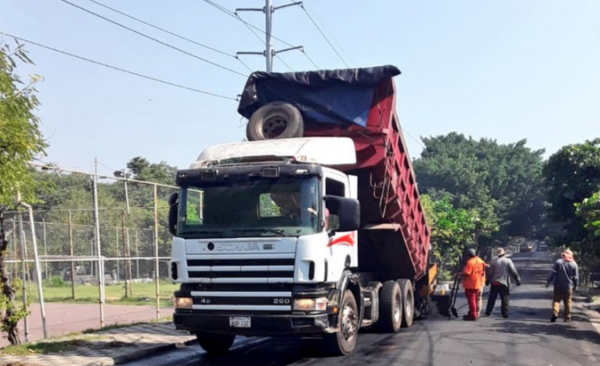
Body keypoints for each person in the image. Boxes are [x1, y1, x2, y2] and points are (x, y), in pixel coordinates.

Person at [485, 247, 521, 318]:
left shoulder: (494, 262)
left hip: (494, 283)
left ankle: (488, 312)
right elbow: (513, 271)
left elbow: (490, 273)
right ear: (504, 253)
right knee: (505, 299)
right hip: (504, 283)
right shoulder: (508, 261)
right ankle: (505, 313)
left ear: (498, 255)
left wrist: (487, 281)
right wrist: (518, 280)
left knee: (492, 298)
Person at [546, 249, 579, 323]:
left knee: (556, 300)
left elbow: (553, 272)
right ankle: (567, 317)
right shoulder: (574, 264)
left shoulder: (558, 262)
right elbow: (576, 277)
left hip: (558, 285)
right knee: (568, 301)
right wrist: (576, 285)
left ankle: (555, 313)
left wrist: (548, 281)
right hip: (568, 286)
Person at [462, 248, 486, 321]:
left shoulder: (470, 262)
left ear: (468, 255)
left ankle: (473, 315)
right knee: (475, 299)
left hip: (471, 284)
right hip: (478, 283)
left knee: (471, 300)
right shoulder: (480, 261)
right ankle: (472, 313)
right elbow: (484, 269)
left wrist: (458, 274)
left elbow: (467, 273)